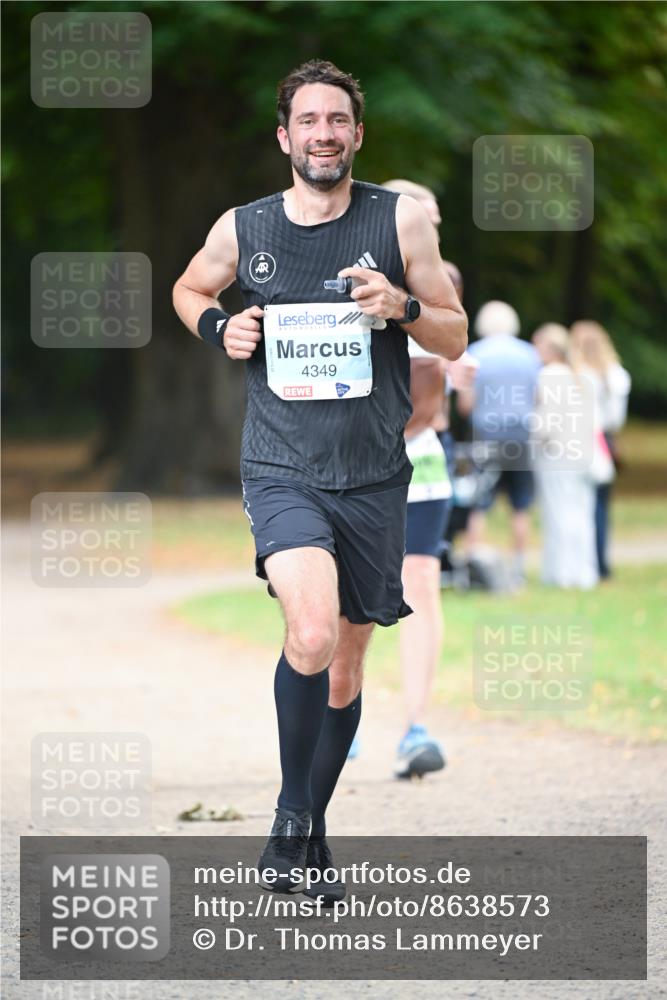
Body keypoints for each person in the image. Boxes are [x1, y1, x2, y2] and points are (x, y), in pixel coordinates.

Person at [172, 60, 467, 900]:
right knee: (308, 634)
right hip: (281, 467)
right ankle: (291, 821)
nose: (324, 134)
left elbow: (451, 336)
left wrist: (402, 307)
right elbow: (189, 288)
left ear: (356, 134)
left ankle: (309, 832)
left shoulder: (398, 221)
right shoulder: (246, 227)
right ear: (284, 137)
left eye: (337, 120)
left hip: (373, 474)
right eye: (308, 121)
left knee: (343, 666)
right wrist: (220, 327)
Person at [378, 180, 474, 779]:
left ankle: (415, 727)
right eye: (421, 217)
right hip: (353, 461)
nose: (430, 229)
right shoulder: (344, 278)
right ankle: (336, 715)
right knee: (343, 594)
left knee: (421, 583)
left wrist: (458, 371)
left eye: (435, 220)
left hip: (423, 456)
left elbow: (456, 354)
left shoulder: (445, 282)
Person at [457, 301, 541, 586]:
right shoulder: (530, 354)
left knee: (479, 504)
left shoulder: (476, 354)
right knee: (521, 505)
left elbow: (465, 405)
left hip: (487, 437)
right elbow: (538, 397)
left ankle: (474, 566)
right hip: (521, 437)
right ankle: (518, 569)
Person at [531, 323, 598, 589]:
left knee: (558, 513)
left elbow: (547, 422)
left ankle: (561, 573)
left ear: (550, 348)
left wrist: (533, 439)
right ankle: (584, 572)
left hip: (555, 454)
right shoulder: (580, 375)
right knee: (581, 512)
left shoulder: (549, 375)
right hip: (581, 453)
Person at [569, 321, 631, 579]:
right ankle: (601, 562)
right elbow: (616, 419)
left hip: (577, 440)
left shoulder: (574, 374)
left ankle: (581, 562)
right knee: (601, 505)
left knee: (577, 503)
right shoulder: (616, 374)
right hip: (603, 441)